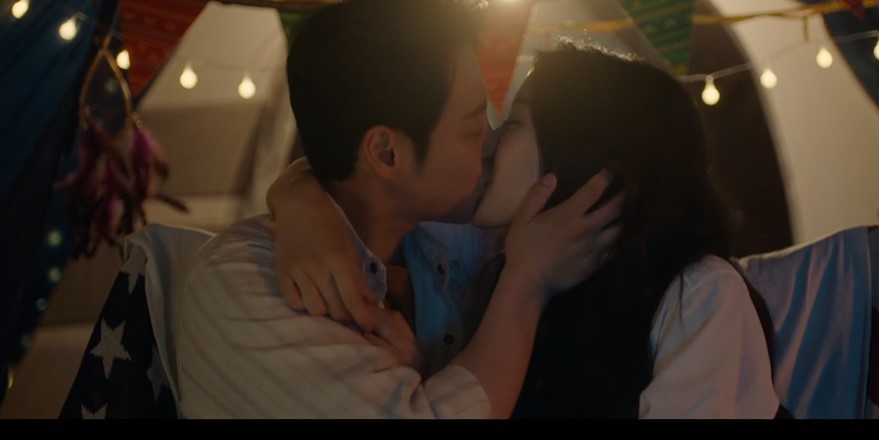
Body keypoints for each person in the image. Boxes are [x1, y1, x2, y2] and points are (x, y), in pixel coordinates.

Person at [270, 41, 782, 418]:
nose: (487, 143)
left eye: (513, 123)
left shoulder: (699, 293)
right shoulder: (496, 258)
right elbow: (364, 181)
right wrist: (297, 198)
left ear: (582, 153)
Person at [175, 0, 621, 419]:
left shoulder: (441, 233)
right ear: (387, 153)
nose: (491, 144)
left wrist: (298, 189)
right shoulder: (245, 286)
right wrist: (526, 283)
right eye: (471, 128)